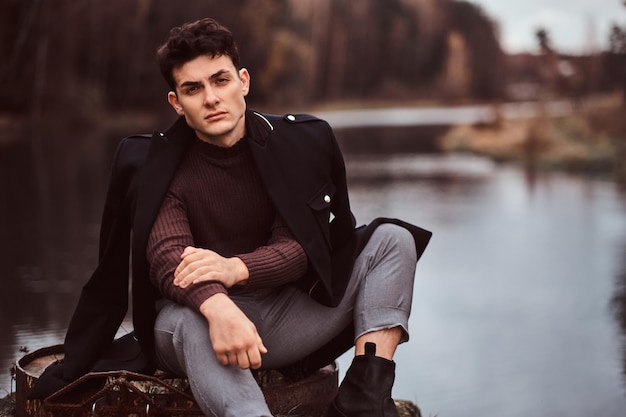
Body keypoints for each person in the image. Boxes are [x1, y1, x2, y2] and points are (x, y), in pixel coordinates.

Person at [31, 18, 431, 417]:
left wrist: (234, 268)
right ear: (176, 102)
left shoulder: (297, 145)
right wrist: (218, 305)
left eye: (220, 81)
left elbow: (298, 246)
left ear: (243, 81)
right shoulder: (153, 163)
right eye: (193, 88)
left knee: (392, 240)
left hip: (281, 318)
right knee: (194, 322)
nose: (210, 98)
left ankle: (362, 400)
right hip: (190, 323)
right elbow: (169, 257)